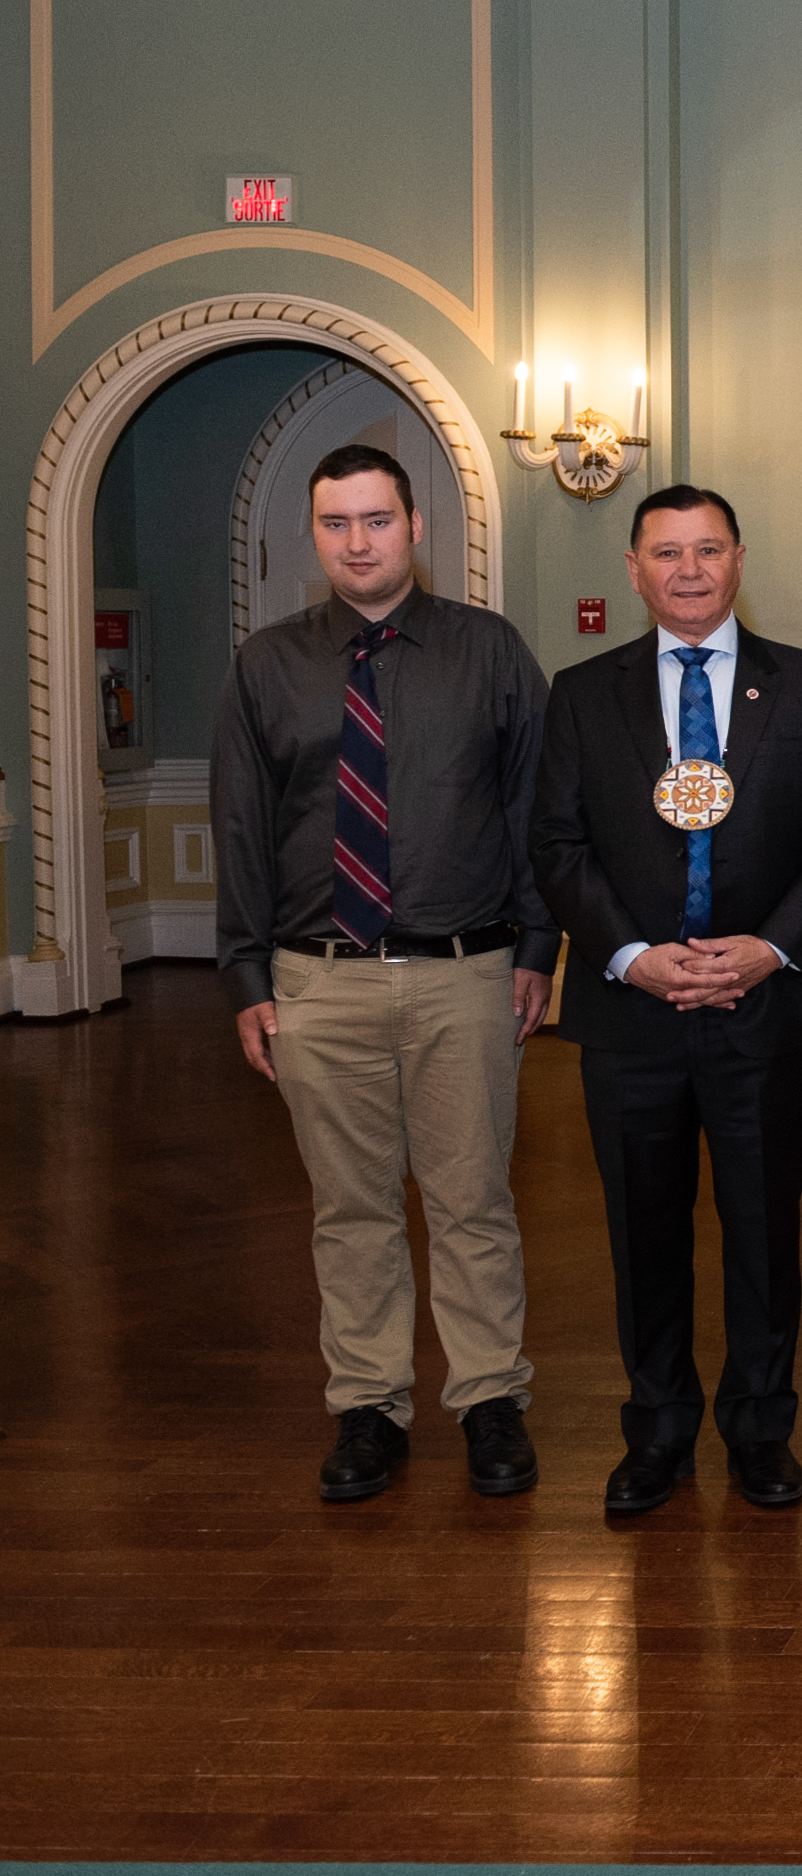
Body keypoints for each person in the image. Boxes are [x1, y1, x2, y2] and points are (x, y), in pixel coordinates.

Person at [212, 442, 557, 1503]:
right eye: (335, 523)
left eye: (376, 519)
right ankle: (368, 1407)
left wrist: (540, 949)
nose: (356, 541)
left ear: (415, 527)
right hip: (319, 980)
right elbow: (240, 826)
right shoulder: (266, 664)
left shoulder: (490, 652)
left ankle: (490, 1398)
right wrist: (245, 978)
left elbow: (536, 813)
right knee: (348, 1207)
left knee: (472, 1200)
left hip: (468, 973)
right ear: (314, 535)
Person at [531, 484, 802, 1515]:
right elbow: (555, 842)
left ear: (739, 560)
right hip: (631, 1012)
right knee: (643, 1233)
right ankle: (658, 1428)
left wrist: (772, 948)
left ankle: (761, 1427)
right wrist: (632, 952)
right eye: (667, 552)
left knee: (765, 1230)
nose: (690, 570)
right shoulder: (582, 693)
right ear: (634, 570)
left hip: (763, 1012)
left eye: (709, 549)